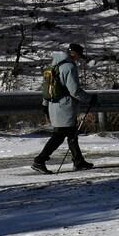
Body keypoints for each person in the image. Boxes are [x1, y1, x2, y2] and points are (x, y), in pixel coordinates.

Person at [32, 43, 97, 173]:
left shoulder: (54, 65)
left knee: (72, 134)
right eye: (79, 56)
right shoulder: (69, 67)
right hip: (65, 106)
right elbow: (74, 91)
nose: (79, 59)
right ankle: (39, 161)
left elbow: (47, 87)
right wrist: (89, 98)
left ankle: (78, 161)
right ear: (74, 54)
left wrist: (45, 104)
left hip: (54, 105)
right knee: (59, 135)